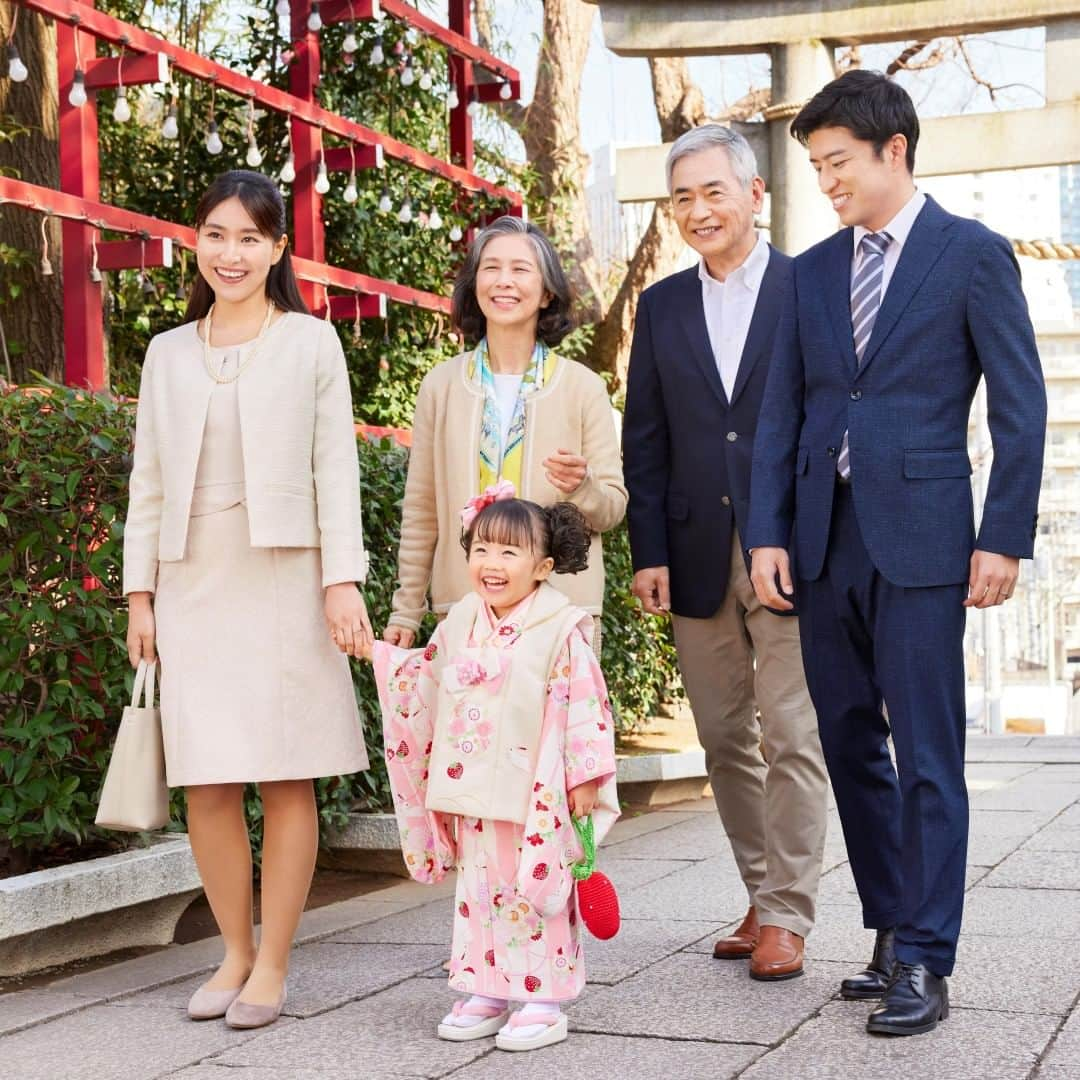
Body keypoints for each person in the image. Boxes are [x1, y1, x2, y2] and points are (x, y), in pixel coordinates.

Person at [746, 71, 1046, 1036]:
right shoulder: (812, 273)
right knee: (850, 748)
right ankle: (889, 933)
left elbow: (1020, 404)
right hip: (823, 544)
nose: (826, 181)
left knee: (926, 755)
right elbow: (782, 409)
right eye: (817, 166)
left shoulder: (971, 255)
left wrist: (1002, 536)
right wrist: (766, 535)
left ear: (895, 151)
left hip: (923, 542)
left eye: (838, 162)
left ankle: (928, 955)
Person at [123, 170, 372, 1030]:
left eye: (250, 238)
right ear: (198, 242)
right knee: (208, 783)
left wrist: (342, 578)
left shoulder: (311, 343)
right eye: (216, 235)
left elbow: (334, 469)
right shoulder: (165, 352)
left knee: (285, 770)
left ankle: (272, 962)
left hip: (286, 581)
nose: (231, 253)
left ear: (277, 250)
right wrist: (139, 593)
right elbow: (146, 483)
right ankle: (232, 950)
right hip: (193, 582)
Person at [623, 125, 828, 982]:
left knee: (790, 729)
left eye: (714, 192)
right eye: (684, 198)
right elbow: (647, 436)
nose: (700, 210)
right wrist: (649, 548)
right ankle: (760, 890)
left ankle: (788, 912)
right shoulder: (662, 305)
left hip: (788, 546)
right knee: (721, 738)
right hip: (694, 545)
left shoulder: (809, 288)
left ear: (755, 195)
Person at [360, 492, 618, 1052]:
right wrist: (384, 659)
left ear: (544, 567)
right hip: (475, 781)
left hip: (536, 786)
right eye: (481, 549)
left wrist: (585, 776)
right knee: (479, 888)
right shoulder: (460, 620)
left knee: (537, 883)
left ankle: (544, 997)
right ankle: (487, 987)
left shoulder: (560, 627)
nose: (491, 564)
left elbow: (584, 704)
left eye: (509, 551)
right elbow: (424, 679)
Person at [383, 216, 626, 654]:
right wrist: (406, 609)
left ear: (547, 291)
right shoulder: (440, 386)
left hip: (560, 614)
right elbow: (421, 509)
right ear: (475, 285)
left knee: (552, 727)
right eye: (491, 268)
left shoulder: (583, 387)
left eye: (521, 269)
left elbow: (612, 509)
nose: (504, 281)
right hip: (463, 611)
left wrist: (583, 487)